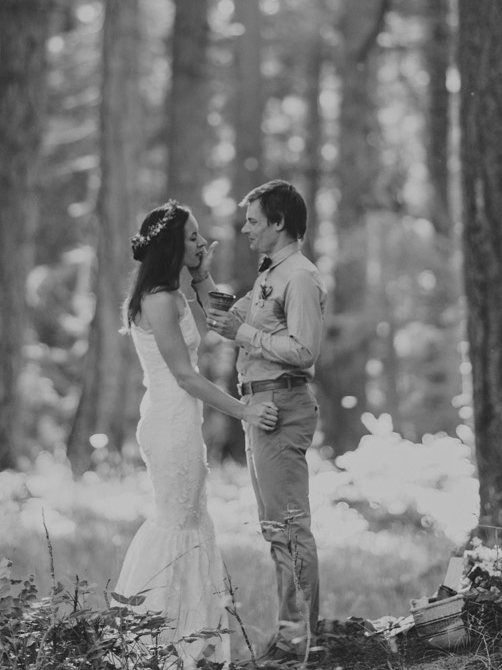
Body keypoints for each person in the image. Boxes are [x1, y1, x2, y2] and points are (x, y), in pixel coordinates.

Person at [114, 199, 280, 669]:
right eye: (192, 238)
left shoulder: (175, 293)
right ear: (170, 245)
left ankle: (191, 644)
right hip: (169, 421)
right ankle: (152, 645)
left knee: (190, 524)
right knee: (176, 526)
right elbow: (186, 376)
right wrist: (245, 411)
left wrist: (202, 273)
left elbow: (219, 326)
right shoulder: (159, 301)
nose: (201, 241)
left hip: (182, 421)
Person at [211, 180, 326, 666]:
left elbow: (304, 350)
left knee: (290, 528)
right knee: (274, 529)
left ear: (279, 223)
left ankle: (301, 645)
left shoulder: (298, 276)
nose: (246, 228)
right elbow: (224, 318)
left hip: (282, 406)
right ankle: (289, 637)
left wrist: (247, 334)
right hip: (259, 409)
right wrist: (199, 274)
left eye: (254, 220)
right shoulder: (268, 275)